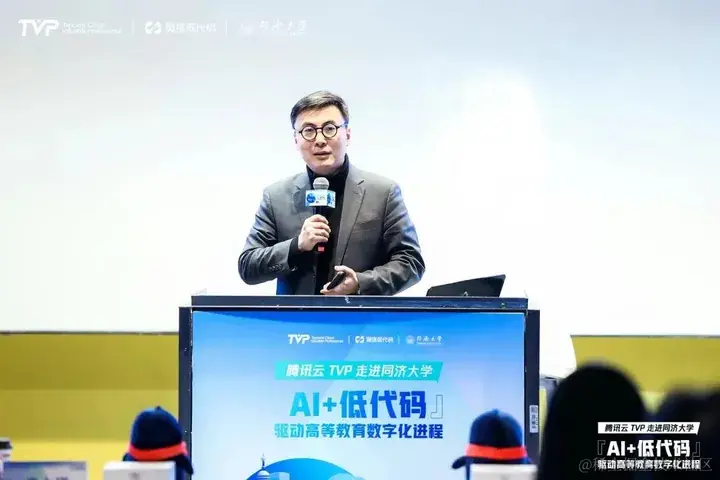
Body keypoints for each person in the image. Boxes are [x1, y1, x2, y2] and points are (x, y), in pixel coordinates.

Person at [239, 90, 425, 295]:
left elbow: (411, 262)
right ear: (296, 140)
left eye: (329, 129)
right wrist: (296, 246)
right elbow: (248, 266)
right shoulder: (276, 197)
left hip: (358, 315)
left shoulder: (383, 193)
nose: (319, 140)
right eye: (309, 131)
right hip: (296, 316)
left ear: (347, 134)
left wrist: (360, 283)